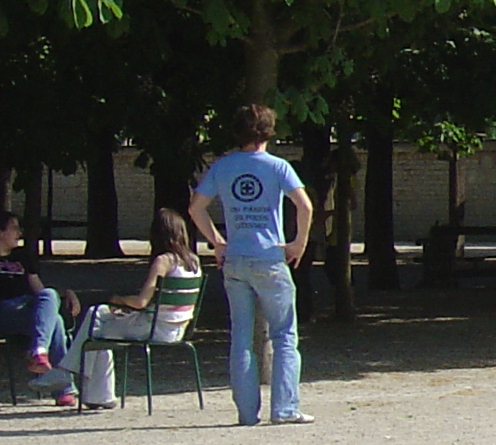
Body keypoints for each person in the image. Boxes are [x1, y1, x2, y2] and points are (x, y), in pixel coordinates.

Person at [189, 104, 316, 426]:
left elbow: (195, 209)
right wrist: (298, 242)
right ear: (269, 132)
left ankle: (246, 413)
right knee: (285, 334)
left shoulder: (222, 167)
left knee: (241, 338)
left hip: (235, 260)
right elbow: (305, 205)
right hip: (270, 258)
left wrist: (218, 242)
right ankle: (285, 408)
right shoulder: (278, 167)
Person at [63, 208, 203, 401]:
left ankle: (70, 377)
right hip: (178, 329)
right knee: (102, 327)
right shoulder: (194, 262)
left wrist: (118, 300)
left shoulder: (163, 261)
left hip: (153, 328)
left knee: (97, 317)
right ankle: (95, 394)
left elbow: (141, 301)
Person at [0, 209, 76, 405]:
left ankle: (39, 351)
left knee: (54, 310)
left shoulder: (22, 257)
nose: (19, 233)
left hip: (25, 310)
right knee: (53, 317)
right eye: (14, 228)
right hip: (4, 312)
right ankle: (63, 388)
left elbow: (40, 292)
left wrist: (65, 294)